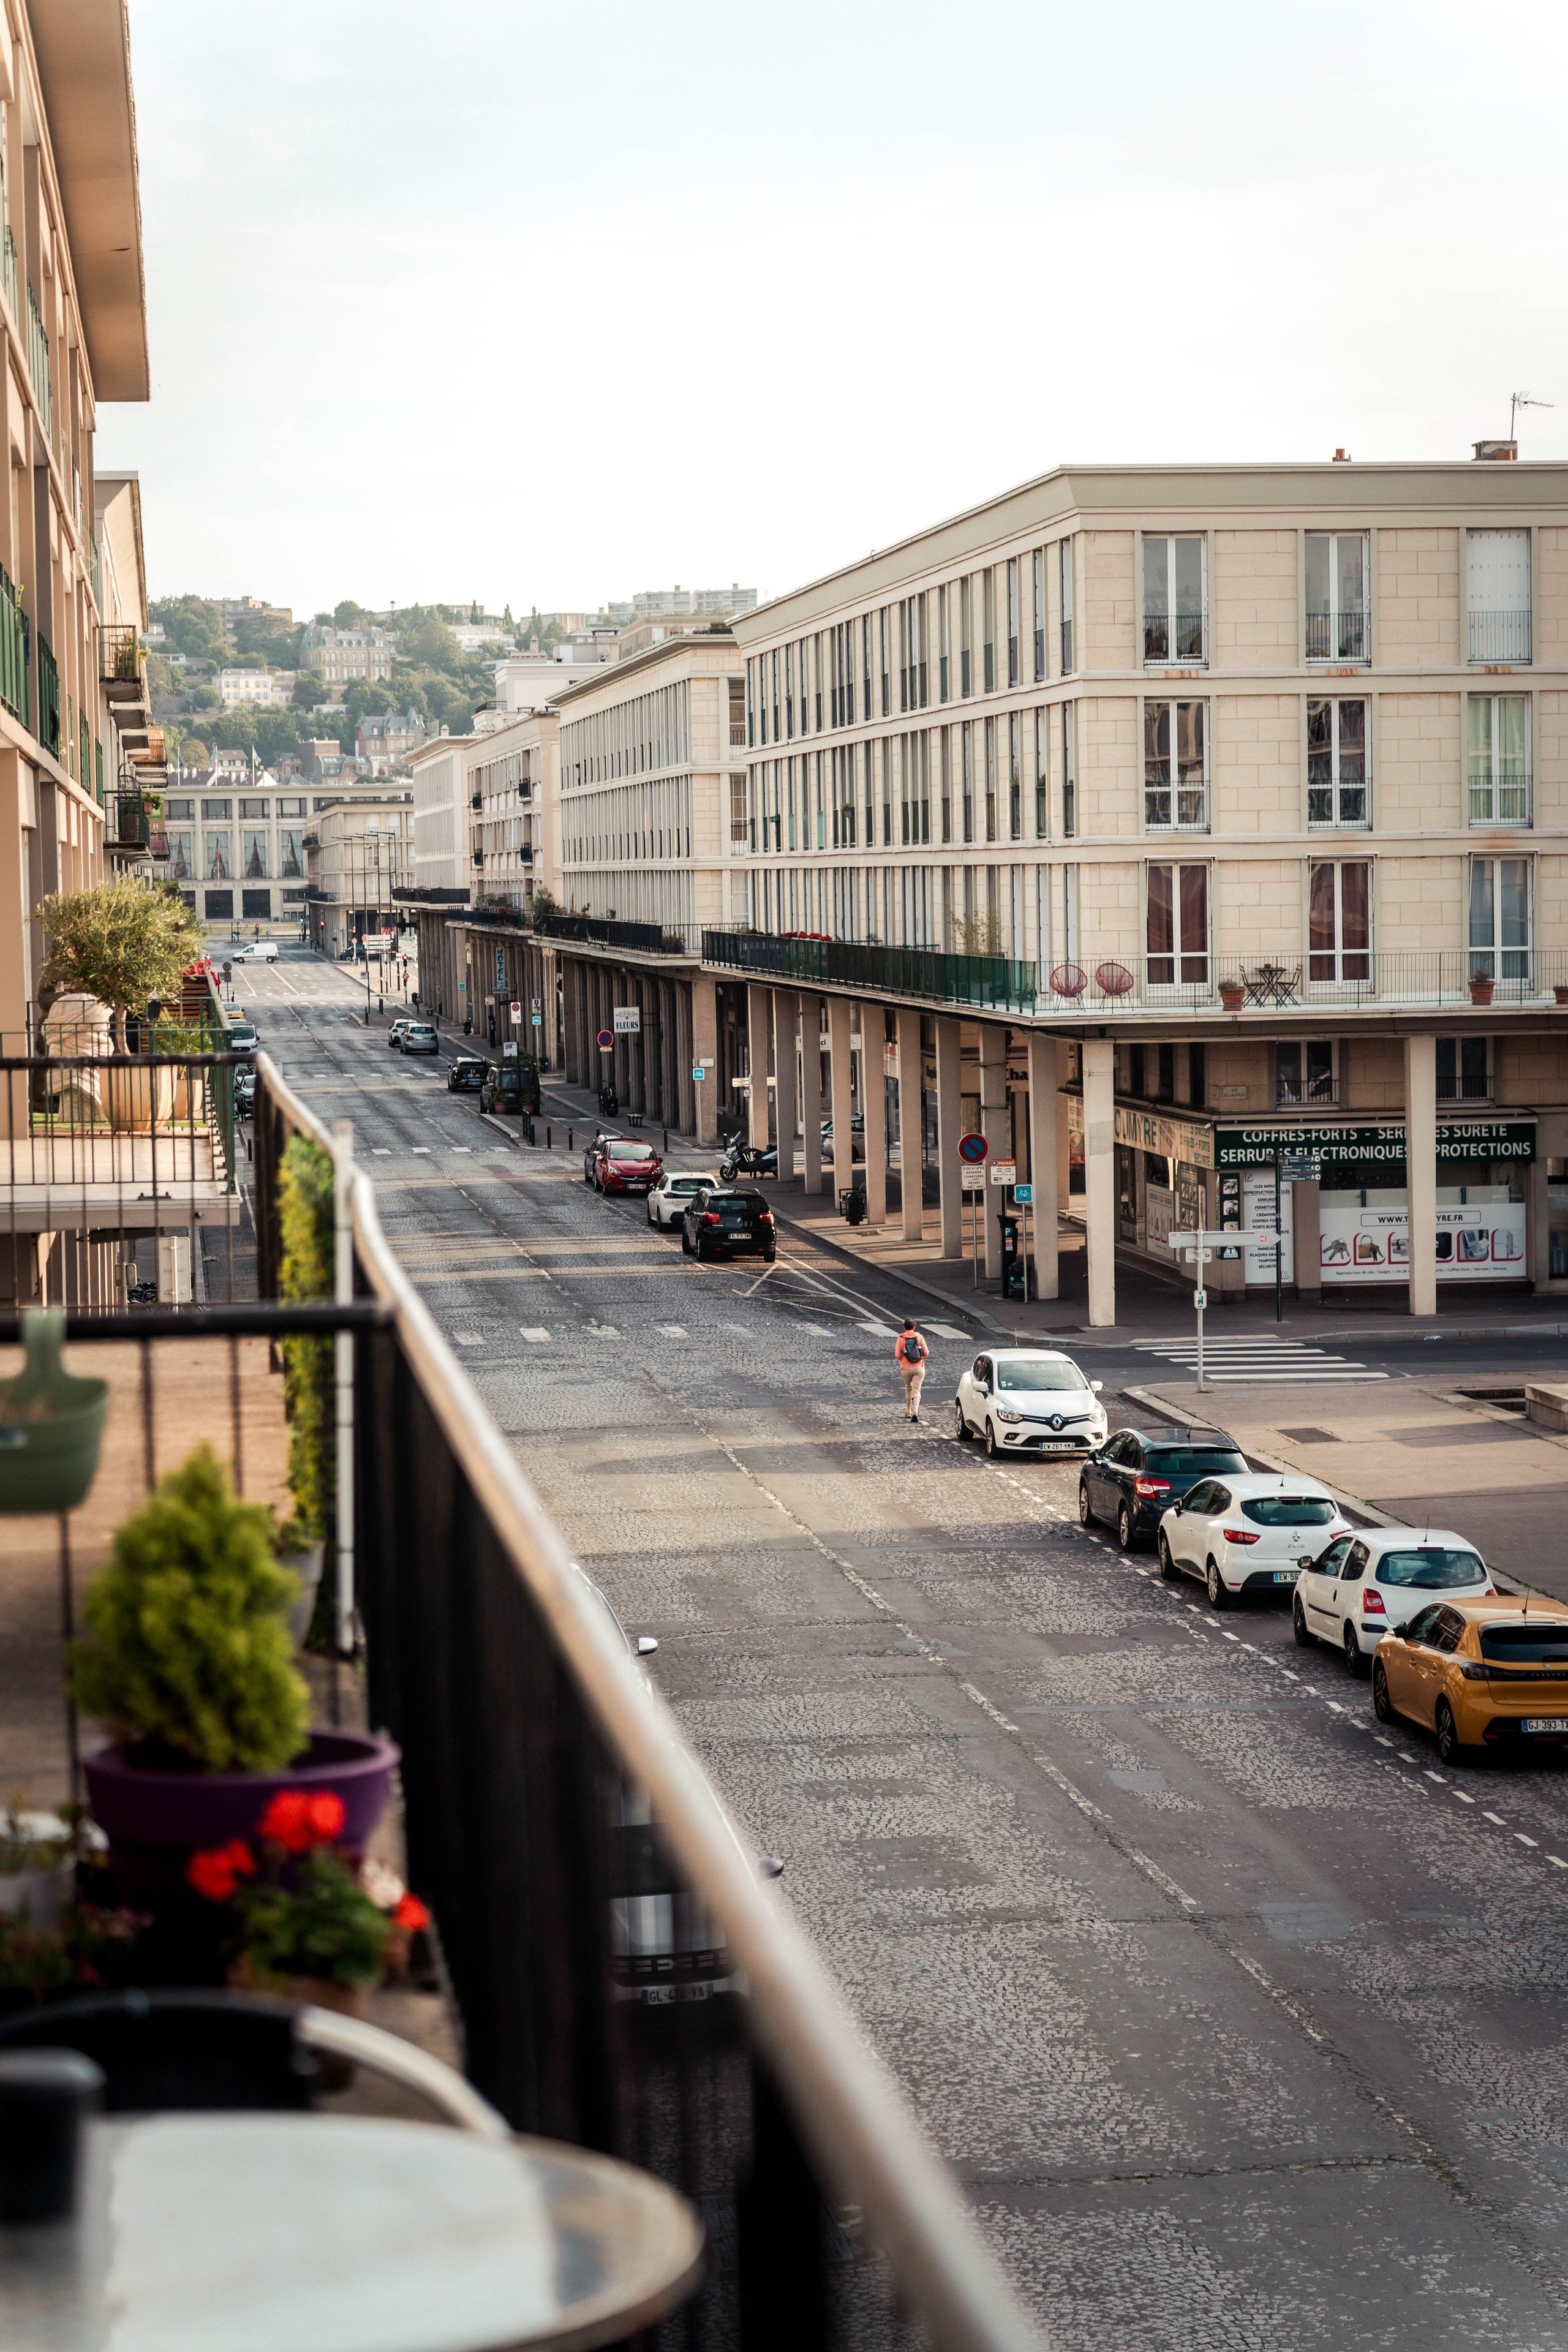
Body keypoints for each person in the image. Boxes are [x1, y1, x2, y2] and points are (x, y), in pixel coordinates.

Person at [894, 1317, 928, 1421]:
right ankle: (916, 1411)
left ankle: (908, 1411)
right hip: (919, 1367)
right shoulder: (920, 1337)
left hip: (905, 1367)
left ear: (904, 1327)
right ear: (914, 1327)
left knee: (908, 1389)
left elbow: (897, 1355)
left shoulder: (901, 1338)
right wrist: (920, 1358)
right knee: (917, 1390)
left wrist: (904, 1359)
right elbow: (926, 1352)